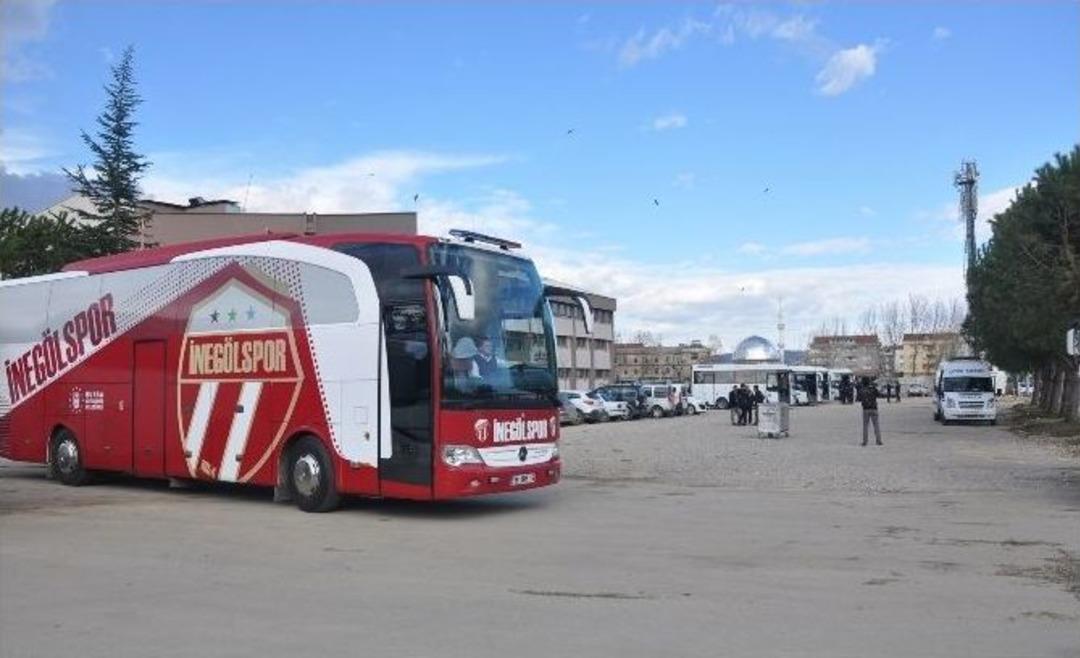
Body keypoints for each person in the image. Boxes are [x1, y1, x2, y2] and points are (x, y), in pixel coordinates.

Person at [857, 377, 883, 446]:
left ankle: (865, 441)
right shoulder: (873, 388)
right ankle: (879, 440)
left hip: (866, 408)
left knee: (865, 426)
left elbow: (858, 398)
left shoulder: (862, 390)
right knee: (876, 425)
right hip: (874, 408)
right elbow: (879, 395)